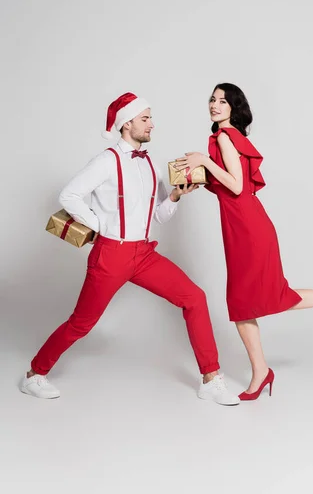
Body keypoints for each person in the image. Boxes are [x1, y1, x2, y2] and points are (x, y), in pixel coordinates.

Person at [20, 92, 239, 406]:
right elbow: (69, 195)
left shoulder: (149, 163)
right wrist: (100, 226)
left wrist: (176, 196)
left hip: (144, 254)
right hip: (111, 255)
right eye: (145, 118)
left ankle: (210, 378)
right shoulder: (106, 160)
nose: (152, 124)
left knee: (195, 298)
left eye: (150, 117)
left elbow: (159, 216)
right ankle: (35, 375)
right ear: (127, 124)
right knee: (82, 323)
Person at [174, 83, 313, 401]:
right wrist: (196, 179)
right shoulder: (227, 138)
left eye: (223, 101)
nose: (215, 105)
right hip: (242, 227)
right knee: (251, 302)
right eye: (212, 100)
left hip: (248, 230)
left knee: (259, 300)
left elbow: (236, 183)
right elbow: (228, 187)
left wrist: (204, 160)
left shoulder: (225, 137)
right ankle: (263, 369)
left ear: (234, 107)